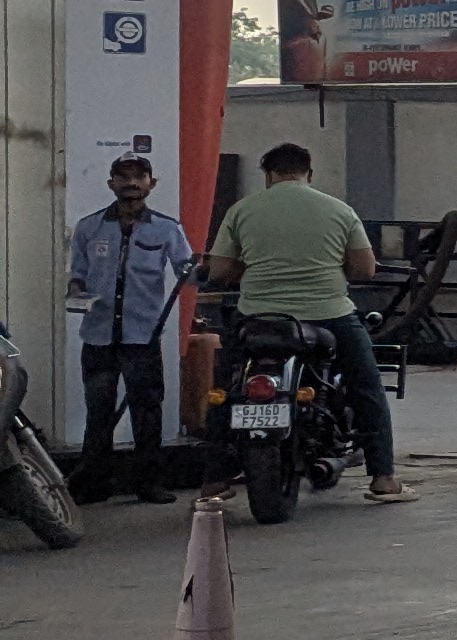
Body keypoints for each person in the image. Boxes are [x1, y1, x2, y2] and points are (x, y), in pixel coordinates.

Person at [195, 141, 410, 503]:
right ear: (309, 173)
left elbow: (218, 271)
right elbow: (365, 269)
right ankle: (383, 478)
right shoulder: (338, 210)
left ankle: (214, 481)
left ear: (268, 175)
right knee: (367, 385)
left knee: (227, 389)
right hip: (329, 316)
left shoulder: (242, 210)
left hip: (259, 319)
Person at [65, 151, 192, 502]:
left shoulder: (167, 228)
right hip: (98, 336)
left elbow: (188, 270)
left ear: (151, 183)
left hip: (142, 337)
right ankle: (94, 484)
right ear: (112, 183)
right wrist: (75, 289)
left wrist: (207, 270)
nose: (131, 183)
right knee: (99, 411)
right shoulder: (89, 227)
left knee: (147, 412)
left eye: (139, 176)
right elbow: (78, 272)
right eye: (124, 177)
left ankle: (148, 483)